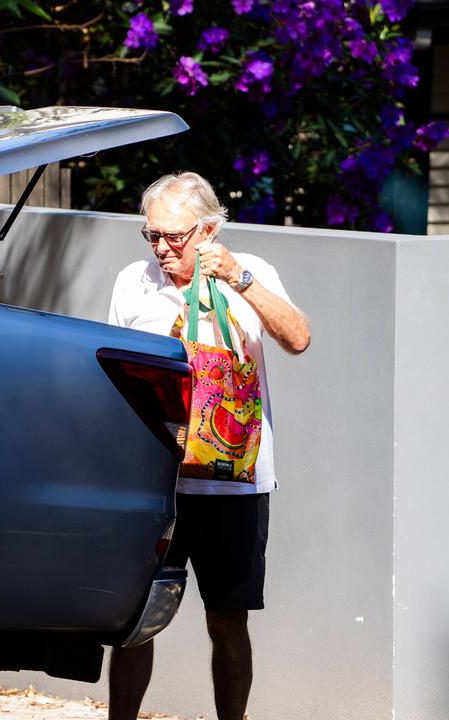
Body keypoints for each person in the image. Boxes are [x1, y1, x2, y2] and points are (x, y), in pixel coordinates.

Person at [106, 172, 310, 720]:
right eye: (152, 236)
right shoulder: (134, 281)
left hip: (234, 480)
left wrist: (238, 279)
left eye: (175, 236)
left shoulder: (251, 273)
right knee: (134, 621)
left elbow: (297, 338)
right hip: (156, 480)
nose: (163, 249)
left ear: (210, 229)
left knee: (228, 619)